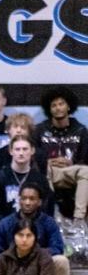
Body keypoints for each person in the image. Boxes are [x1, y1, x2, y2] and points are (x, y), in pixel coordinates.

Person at [0, 183, 69, 275]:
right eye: (24, 198)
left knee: (61, 260)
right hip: (12, 267)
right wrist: (15, 257)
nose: (27, 202)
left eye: (32, 199)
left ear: (39, 202)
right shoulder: (4, 224)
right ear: (19, 200)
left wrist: (35, 256)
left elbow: (57, 247)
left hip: (40, 266)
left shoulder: (49, 223)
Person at [37, 85, 88, 221]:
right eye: (54, 105)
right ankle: (50, 214)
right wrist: (47, 162)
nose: (58, 108)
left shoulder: (81, 130)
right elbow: (33, 156)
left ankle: (79, 219)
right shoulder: (40, 129)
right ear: (49, 109)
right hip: (49, 172)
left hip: (71, 172)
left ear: (69, 106)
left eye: (61, 104)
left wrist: (71, 163)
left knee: (86, 171)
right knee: (44, 169)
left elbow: (85, 159)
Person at [0, 136, 52, 225]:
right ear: (11, 151)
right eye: (17, 149)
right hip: (5, 229)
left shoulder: (40, 180)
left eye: (25, 149)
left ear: (32, 151)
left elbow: (46, 210)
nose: (21, 153)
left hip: (34, 231)